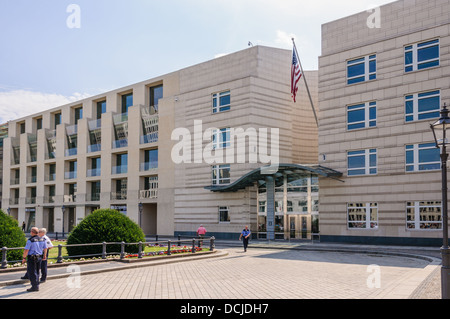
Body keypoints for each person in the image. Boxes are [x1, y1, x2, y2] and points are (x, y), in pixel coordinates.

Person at [21, 227, 47, 292]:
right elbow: (45, 248)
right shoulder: (42, 239)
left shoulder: (30, 240)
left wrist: (24, 258)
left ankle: (34, 287)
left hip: (32, 258)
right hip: (39, 257)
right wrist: (44, 256)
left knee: (32, 272)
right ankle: (36, 285)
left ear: (32, 232)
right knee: (37, 271)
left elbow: (26, 250)